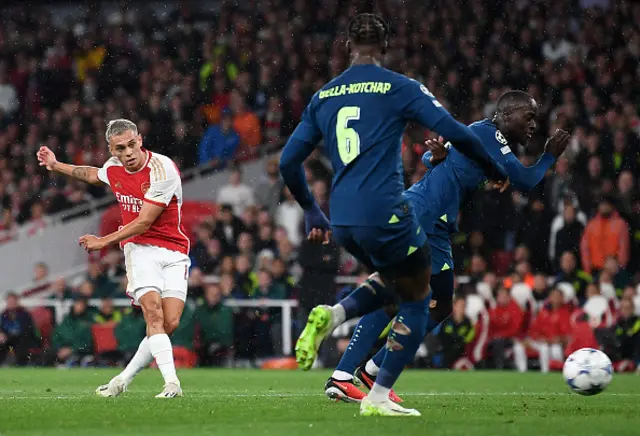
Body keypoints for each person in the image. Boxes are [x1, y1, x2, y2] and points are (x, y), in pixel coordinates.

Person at [279, 13, 510, 417]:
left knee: (397, 282)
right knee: (425, 301)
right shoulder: (398, 87)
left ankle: (336, 315)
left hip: (343, 218)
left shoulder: (325, 96)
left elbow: (287, 162)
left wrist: (313, 213)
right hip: (385, 210)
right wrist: (493, 167)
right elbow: (455, 130)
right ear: (385, 47)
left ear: (347, 45)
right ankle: (378, 396)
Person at [324, 90, 569, 402]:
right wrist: (549, 155)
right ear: (506, 115)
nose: (534, 124)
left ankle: (373, 371)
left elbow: (435, 156)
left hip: (436, 224)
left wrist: (438, 158)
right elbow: (524, 179)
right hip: (421, 213)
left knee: (439, 306)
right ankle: (342, 375)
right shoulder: (488, 132)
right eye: (529, 116)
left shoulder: (480, 136)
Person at [37, 118, 190, 398]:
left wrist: (103, 241)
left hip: (174, 250)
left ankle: (121, 380)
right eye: (121, 148)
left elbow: (144, 221)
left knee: (169, 323)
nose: (128, 152)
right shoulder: (114, 168)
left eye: (132, 144)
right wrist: (57, 165)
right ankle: (172, 383)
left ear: (140, 140)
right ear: (112, 150)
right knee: (153, 315)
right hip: (139, 250)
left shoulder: (162, 169)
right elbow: (93, 174)